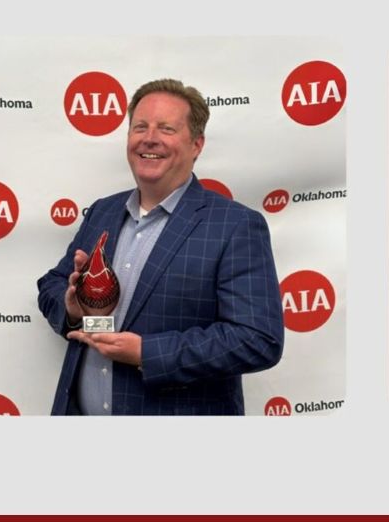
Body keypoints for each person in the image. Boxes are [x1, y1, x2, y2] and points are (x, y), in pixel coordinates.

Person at [37, 79, 284, 415]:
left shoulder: (235, 225)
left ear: (197, 144)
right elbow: (52, 284)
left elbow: (258, 340)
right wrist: (74, 311)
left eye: (166, 128)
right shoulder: (102, 212)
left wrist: (147, 353)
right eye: (140, 127)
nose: (149, 138)